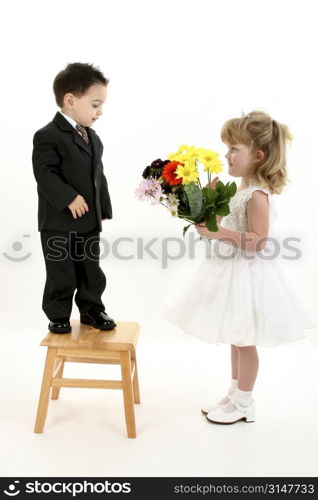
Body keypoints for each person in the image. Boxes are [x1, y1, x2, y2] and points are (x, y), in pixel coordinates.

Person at [163, 110, 318, 424]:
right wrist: (207, 211)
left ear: (258, 155)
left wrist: (220, 232)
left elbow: (259, 241)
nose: (226, 154)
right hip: (229, 270)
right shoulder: (238, 192)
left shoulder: (257, 196)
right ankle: (234, 393)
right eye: (227, 148)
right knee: (236, 335)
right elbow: (225, 225)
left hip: (247, 275)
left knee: (244, 339)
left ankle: (245, 401)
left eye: (234, 149)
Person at [32, 62, 116, 334]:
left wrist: (102, 206)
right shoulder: (48, 136)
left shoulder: (93, 139)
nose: (100, 111)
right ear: (70, 100)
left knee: (90, 269)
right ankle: (58, 314)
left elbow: (97, 175)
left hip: (88, 221)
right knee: (61, 271)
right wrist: (68, 197)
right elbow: (45, 174)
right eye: (94, 104)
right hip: (58, 221)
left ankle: (92, 309)